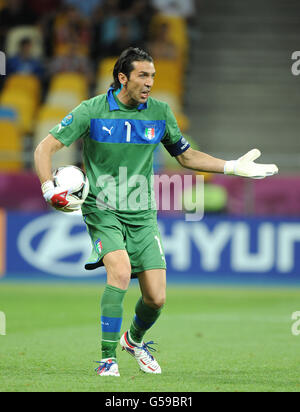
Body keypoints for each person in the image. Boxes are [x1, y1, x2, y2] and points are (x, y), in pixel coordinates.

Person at [34, 47, 278, 377]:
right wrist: (49, 187)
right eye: (142, 76)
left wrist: (232, 166)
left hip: (142, 213)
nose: (149, 82)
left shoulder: (159, 113)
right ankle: (107, 359)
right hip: (102, 208)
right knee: (119, 272)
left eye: (152, 76)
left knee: (156, 299)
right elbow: (44, 147)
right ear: (123, 77)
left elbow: (187, 157)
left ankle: (133, 341)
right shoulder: (92, 110)